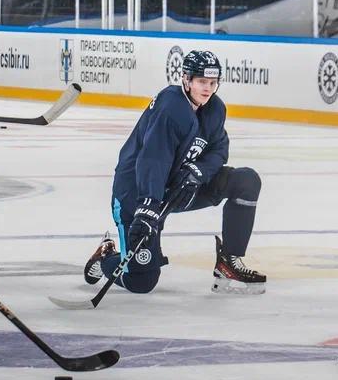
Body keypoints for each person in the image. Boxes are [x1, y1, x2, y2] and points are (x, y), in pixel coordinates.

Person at [82, 49, 266, 295]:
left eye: (213, 83)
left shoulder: (215, 109)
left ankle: (228, 264)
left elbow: (220, 149)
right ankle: (105, 256)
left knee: (246, 180)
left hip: (180, 188)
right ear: (186, 79)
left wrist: (198, 171)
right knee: (141, 282)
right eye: (202, 81)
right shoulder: (170, 107)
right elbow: (153, 159)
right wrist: (147, 207)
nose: (208, 89)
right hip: (136, 192)